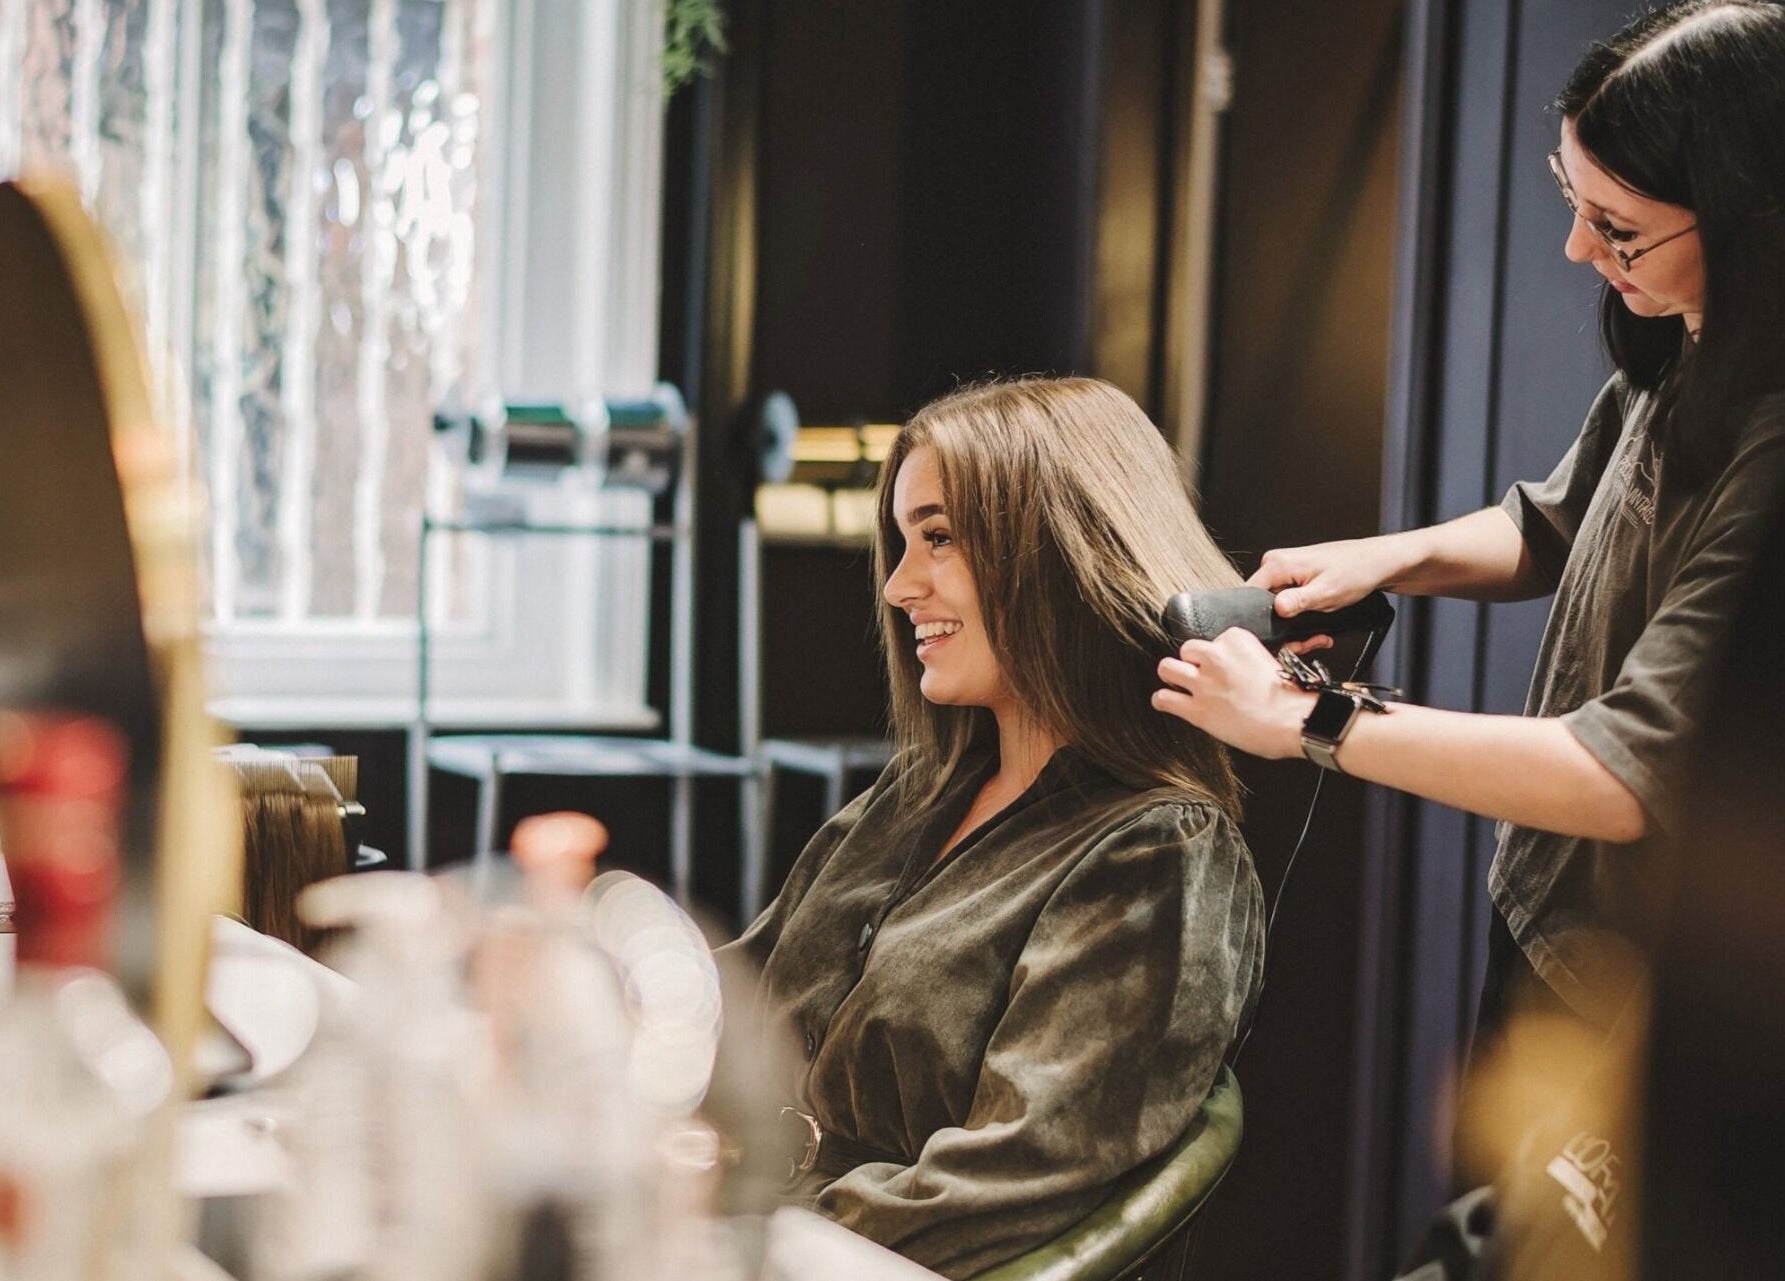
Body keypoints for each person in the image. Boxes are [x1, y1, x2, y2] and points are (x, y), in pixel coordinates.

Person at [1155, 0, 1785, 1094]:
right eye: (1570, 197)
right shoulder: (1689, 341)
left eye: (1619, 227)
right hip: (1546, 911)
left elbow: (1617, 774)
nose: (1579, 247)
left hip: (1637, 995)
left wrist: (1308, 719)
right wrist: (1381, 559)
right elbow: (1548, 527)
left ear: (1748, 220)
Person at [726, 376, 1265, 1279]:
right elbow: (734, 1005)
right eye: (903, 542)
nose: (900, 586)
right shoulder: (913, 796)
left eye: (938, 538)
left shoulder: (1155, 854)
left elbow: (1014, 1174)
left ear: (1061, 548)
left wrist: (732, 1239)